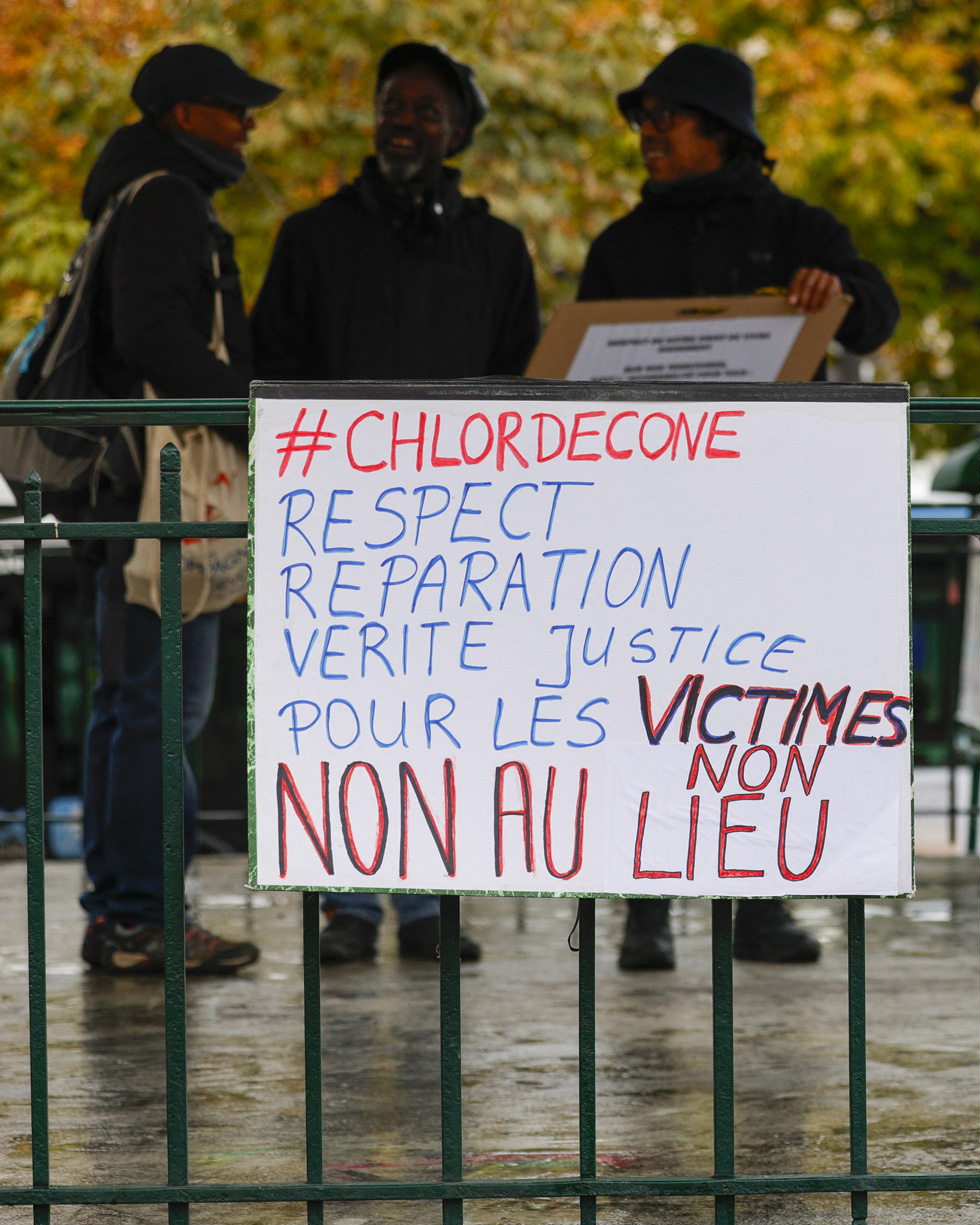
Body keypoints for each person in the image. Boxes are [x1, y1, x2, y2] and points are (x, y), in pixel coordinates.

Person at [579, 41, 900, 969]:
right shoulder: (620, 246)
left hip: (765, 516)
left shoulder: (801, 228)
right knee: (643, 706)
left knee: (751, 706)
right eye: (641, 120)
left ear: (719, 129)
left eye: (663, 119)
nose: (646, 134)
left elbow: (876, 310)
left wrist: (837, 291)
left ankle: (755, 902)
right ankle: (646, 907)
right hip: (647, 519)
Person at [253, 41, 540, 967]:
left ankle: (430, 905)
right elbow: (273, 368)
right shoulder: (312, 236)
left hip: (461, 519)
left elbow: (526, 377)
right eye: (390, 104)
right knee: (344, 707)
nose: (402, 120)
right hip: (336, 514)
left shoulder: (497, 247)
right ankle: (347, 904)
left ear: (458, 132)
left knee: (444, 706)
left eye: (424, 108)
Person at [75, 44, 280, 976]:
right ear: (185, 113)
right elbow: (152, 333)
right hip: (157, 486)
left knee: (133, 704)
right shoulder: (165, 198)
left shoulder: (135, 192)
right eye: (235, 108)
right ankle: (140, 919)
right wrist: (250, 404)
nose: (248, 125)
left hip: (123, 483)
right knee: (163, 707)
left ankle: (124, 914)